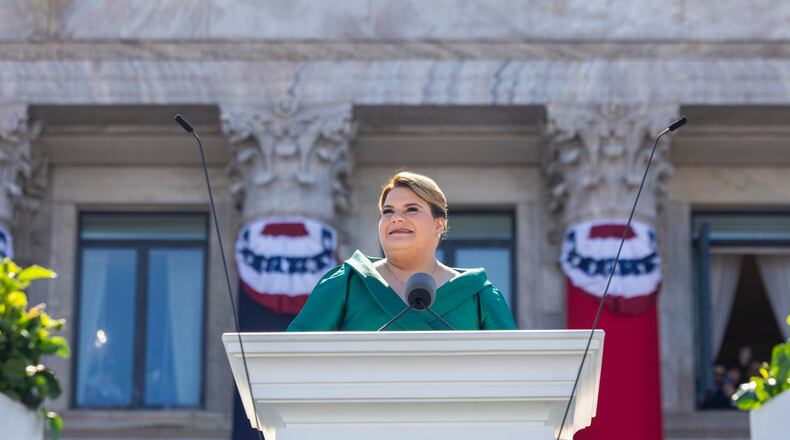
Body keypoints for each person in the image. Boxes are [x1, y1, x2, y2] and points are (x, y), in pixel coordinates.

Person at [287, 171, 517, 331]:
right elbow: (292, 360)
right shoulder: (347, 283)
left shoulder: (477, 293)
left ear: (439, 224)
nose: (396, 218)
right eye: (388, 211)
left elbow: (516, 369)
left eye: (411, 209)